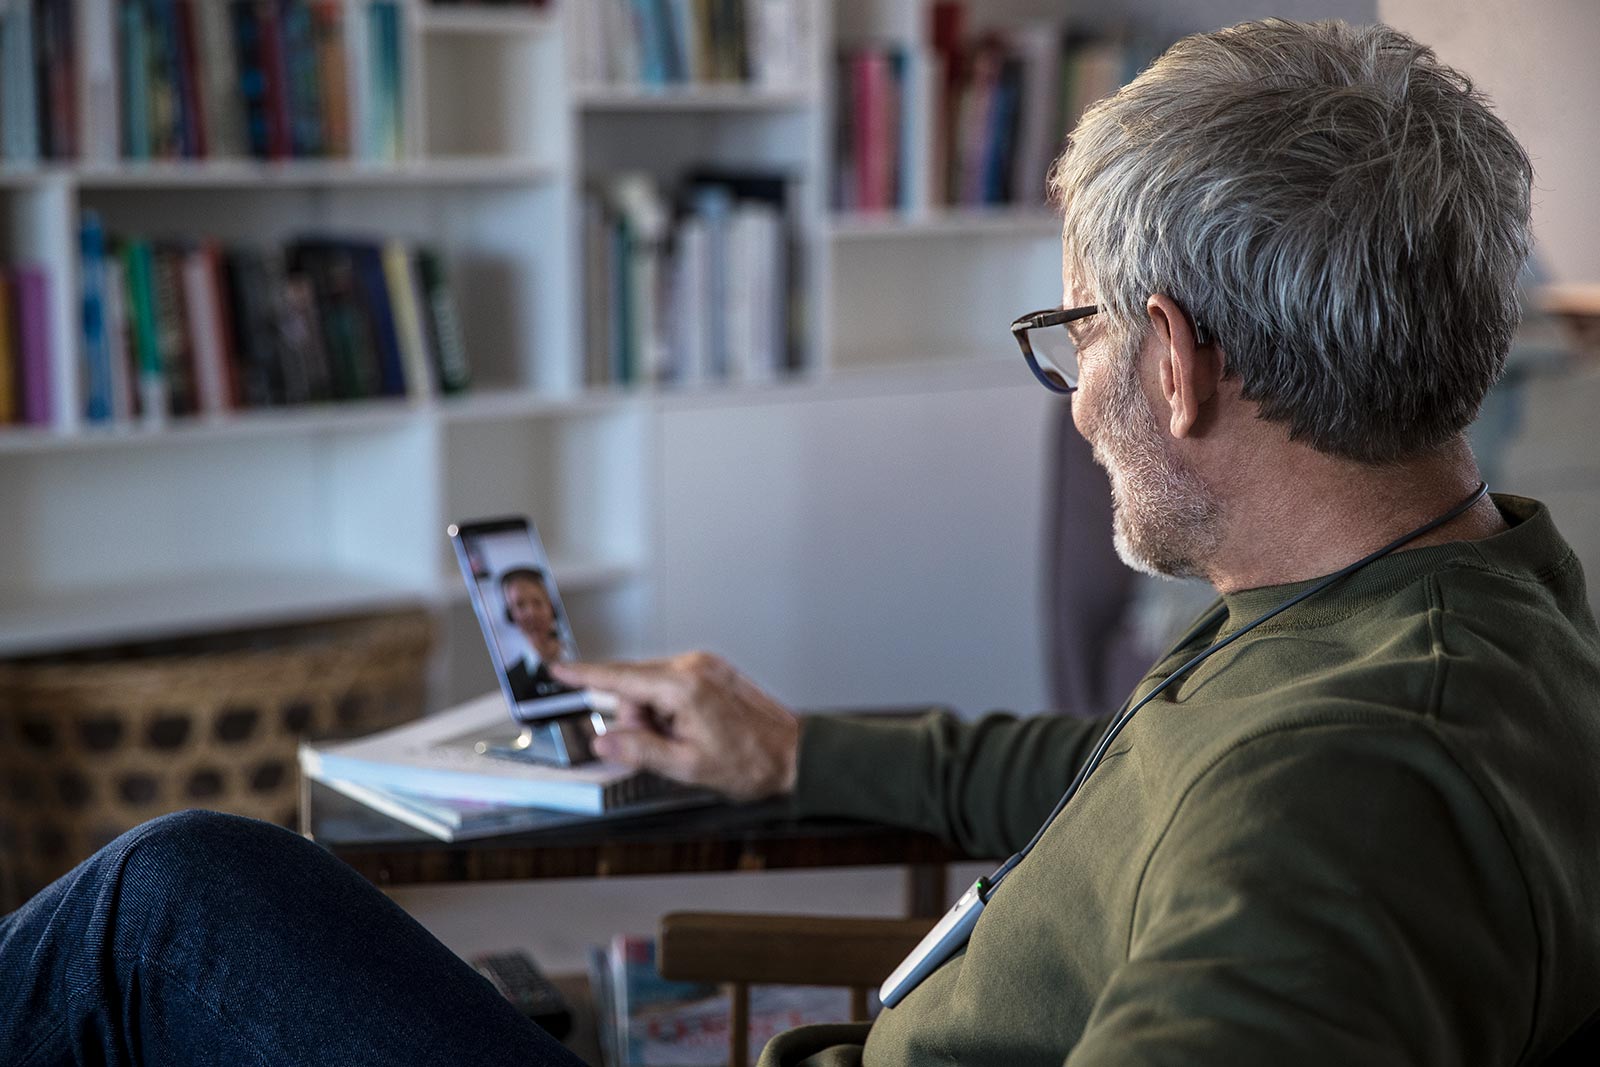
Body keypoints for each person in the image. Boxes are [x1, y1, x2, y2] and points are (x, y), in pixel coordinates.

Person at [4, 18, 1598, 1067]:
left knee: (172, 901)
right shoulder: (1449, 591)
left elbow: (1266, 826)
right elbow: (1128, 778)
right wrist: (787, 749)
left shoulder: (1348, 792)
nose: (1076, 389)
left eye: (1078, 331)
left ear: (1174, 363)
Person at [499, 567, 571, 702]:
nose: (530, 613)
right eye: (520, 605)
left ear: (552, 607)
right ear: (510, 615)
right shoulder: (511, 679)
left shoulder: (580, 660)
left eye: (537, 602)